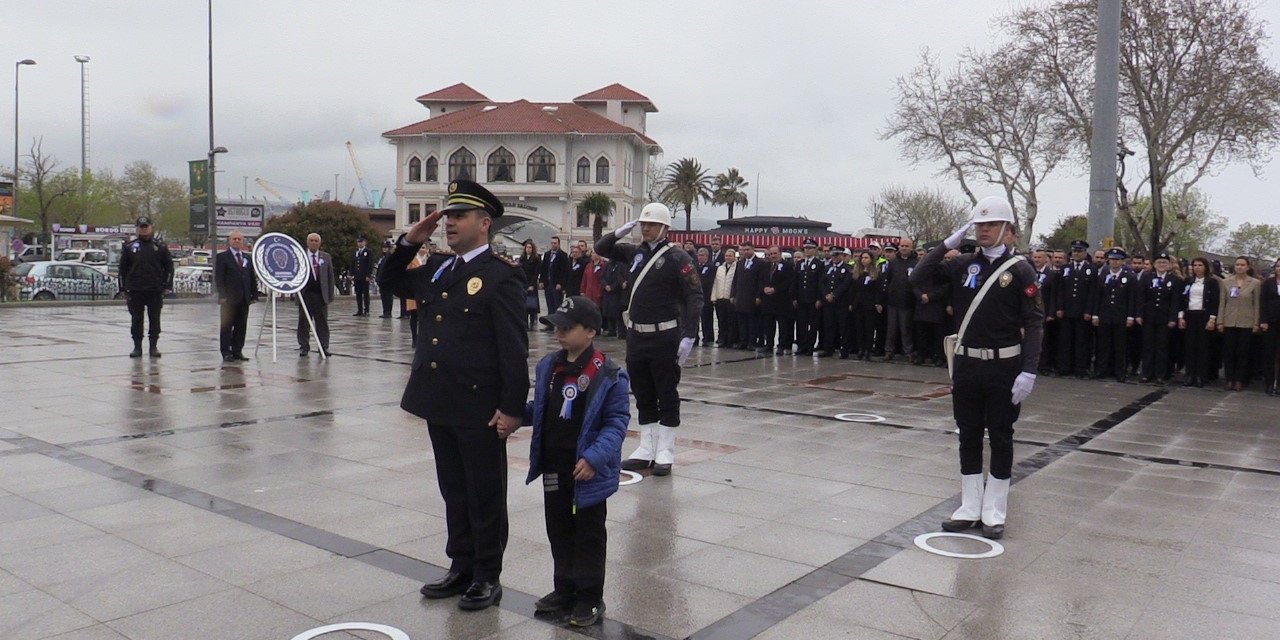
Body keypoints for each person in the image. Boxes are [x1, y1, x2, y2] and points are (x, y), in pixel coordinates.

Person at [377, 179, 528, 611]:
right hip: (439, 400)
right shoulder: (441, 267)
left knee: (484, 492)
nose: (449, 224)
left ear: (485, 223)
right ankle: (460, 565)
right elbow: (389, 280)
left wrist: (512, 408)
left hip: (479, 405)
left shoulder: (501, 276)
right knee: (454, 489)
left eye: (458, 216)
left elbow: (514, 350)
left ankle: (486, 575)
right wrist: (410, 241)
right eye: (446, 217)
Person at [912, 196, 1042, 540]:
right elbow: (919, 276)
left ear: (1008, 231)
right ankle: (969, 506)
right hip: (967, 363)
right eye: (979, 225)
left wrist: (1029, 369)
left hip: (1004, 366)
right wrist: (948, 243)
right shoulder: (963, 263)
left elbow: (1035, 322)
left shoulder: (1021, 270)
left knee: (1000, 436)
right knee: (967, 433)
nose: (983, 231)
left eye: (991, 225)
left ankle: (994, 510)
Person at [520, 296, 629, 627]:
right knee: (558, 529)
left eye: (568, 328)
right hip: (554, 466)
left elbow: (616, 423)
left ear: (591, 332)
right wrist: (514, 416)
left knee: (588, 535)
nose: (560, 334)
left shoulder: (609, 374)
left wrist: (594, 457)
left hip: (587, 472)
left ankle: (590, 597)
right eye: (557, 327)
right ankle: (564, 588)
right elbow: (540, 409)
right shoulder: (550, 366)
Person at [595, 203, 702, 476]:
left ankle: (665, 450)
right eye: (643, 223)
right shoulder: (636, 253)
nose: (646, 228)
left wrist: (689, 335)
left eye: (651, 224)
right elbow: (601, 248)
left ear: (665, 228)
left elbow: (694, 297)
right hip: (637, 335)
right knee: (642, 392)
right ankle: (646, 447)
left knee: (665, 392)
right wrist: (618, 232)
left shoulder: (678, 257)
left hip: (665, 335)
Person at [118, 216, 174, 358]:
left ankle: (153, 346)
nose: (144, 230)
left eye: (146, 226)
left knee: (154, 319)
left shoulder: (160, 247)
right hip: (135, 290)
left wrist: (167, 285)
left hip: (155, 290)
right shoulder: (130, 247)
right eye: (141, 227)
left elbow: (169, 267)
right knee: (137, 319)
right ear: (137, 229)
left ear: (151, 227)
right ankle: (137, 347)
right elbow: (122, 270)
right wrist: (122, 288)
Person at [1091, 248, 1139, 382]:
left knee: (1120, 346)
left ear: (1122, 262)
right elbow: (1097, 297)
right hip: (1105, 315)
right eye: (1112, 259)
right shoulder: (1103, 276)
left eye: (1117, 260)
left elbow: (1131, 298)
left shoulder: (1129, 277)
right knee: (1103, 345)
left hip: (1121, 316)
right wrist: (1095, 314)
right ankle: (1101, 370)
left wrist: (1130, 316)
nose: (1114, 262)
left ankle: (1120, 372)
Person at [1217, 256, 1262, 391]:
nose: (1239, 267)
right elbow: (1222, 303)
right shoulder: (1226, 282)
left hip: (1246, 322)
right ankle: (1229, 379)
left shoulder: (1255, 283)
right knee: (1229, 352)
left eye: (1242, 265)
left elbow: (1257, 305)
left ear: (1247, 267)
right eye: (1237, 265)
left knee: (1243, 352)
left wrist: (1256, 323)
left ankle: (1239, 380)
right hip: (1229, 320)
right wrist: (1220, 321)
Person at [1054, 240, 1097, 378]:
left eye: (1079, 251)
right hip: (1067, 310)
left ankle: (1080, 368)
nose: (1077, 254)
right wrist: (1059, 307)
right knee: (1065, 340)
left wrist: (1088, 311)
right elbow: (1060, 290)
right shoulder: (1065, 268)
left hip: (1082, 311)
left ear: (1085, 253)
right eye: (1075, 251)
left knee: (1081, 341)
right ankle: (1064, 367)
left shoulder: (1091, 269)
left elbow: (1092, 293)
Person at [1137, 253, 1181, 384]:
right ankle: (1146, 373)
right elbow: (1141, 297)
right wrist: (1139, 314)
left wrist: (1173, 318)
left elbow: (1175, 301)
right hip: (1148, 317)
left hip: (1165, 317)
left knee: (1162, 347)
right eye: (1159, 262)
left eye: (1164, 263)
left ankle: (1160, 374)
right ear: (1154, 264)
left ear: (1169, 265)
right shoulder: (1147, 277)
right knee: (1148, 346)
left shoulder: (1174, 280)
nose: (1162, 265)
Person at [215, 230, 258, 362]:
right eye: (234, 239)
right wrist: (222, 295)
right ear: (229, 240)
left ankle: (237, 351)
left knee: (241, 326)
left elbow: (251, 277)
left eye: (239, 239)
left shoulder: (247, 258)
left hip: (243, 298)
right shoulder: (223, 257)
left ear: (243, 241)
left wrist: (253, 294)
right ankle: (226, 351)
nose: (237, 241)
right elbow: (219, 278)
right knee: (227, 326)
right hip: (228, 299)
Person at [1179, 257, 1220, 388]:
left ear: (1205, 267)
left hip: (1204, 316)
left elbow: (1214, 302)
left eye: (1200, 265)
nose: (1197, 267)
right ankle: (1189, 374)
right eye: (1195, 265)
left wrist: (1212, 319)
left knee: (1203, 347)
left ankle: (1201, 376)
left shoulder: (1212, 283)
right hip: (1190, 315)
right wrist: (1181, 317)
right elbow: (1182, 300)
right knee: (1190, 346)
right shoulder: (1188, 281)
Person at [297, 233, 335, 357]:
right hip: (305, 294)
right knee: (303, 322)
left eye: (316, 241)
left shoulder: (326, 257)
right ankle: (304, 346)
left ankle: (323, 347)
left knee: (322, 322)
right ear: (307, 242)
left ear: (319, 243)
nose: (314, 243)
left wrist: (330, 296)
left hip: (320, 295)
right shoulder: (300, 255)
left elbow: (330, 277)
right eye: (311, 240)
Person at [881, 238, 918, 362]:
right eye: (902, 245)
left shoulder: (916, 262)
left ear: (911, 247)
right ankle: (889, 351)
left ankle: (908, 352)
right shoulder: (893, 262)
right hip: (893, 301)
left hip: (907, 301)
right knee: (891, 329)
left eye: (907, 246)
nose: (904, 248)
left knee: (906, 328)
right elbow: (888, 279)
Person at [758, 245, 796, 356]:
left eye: (775, 253)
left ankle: (781, 346)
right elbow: (761, 280)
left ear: (780, 253)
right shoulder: (766, 266)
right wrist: (764, 288)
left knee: (783, 326)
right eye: (771, 254)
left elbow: (789, 281)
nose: (772, 256)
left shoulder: (787, 266)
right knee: (768, 326)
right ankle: (768, 345)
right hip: (768, 301)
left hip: (781, 300)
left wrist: (776, 289)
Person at [817, 246, 852, 357]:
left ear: (842, 255)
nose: (835, 258)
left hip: (841, 302)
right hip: (828, 303)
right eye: (833, 255)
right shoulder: (827, 268)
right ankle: (828, 349)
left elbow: (845, 284)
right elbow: (822, 282)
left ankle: (844, 350)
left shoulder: (847, 268)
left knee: (843, 327)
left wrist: (834, 295)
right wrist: (826, 294)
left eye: (837, 255)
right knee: (829, 326)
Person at [848, 250, 883, 360]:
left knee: (869, 328)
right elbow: (852, 289)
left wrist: (878, 303)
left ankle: (868, 349)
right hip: (858, 304)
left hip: (870, 304)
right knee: (859, 328)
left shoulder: (876, 273)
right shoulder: (857, 272)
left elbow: (878, 290)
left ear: (871, 259)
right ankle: (860, 349)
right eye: (862, 258)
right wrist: (851, 303)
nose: (863, 260)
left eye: (866, 258)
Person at [731, 242, 765, 350]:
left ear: (753, 249)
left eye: (747, 250)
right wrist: (733, 295)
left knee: (752, 322)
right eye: (744, 250)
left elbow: (761, 281)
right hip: (741, 297)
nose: (745, 252)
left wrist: (758, 296)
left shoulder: (760, 263)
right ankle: (743, 341)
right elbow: (735, 280)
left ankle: (752, 342)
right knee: (742, 321)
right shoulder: (740, 263)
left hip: (752, 297)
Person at [793, 239, 823, 356]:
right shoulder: (800, 264)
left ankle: (810, 347)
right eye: (805, 248)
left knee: (813, 324)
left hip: (813, 299)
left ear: (815, 250)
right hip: (801, 299)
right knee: (801, 324)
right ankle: (802, 346)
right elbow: (796, 282)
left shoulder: (819, 264)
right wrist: (794, 297)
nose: (807, 250)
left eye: (810, 248)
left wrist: (819, 299)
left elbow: (820, 283)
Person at [711, 248, 739, 348]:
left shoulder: (737, 268)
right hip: (720, 298)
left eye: (730, 256)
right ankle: (722, 339)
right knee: (721, 321)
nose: (728, 258)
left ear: (734, 257)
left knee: (731, 321)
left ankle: (730, 340)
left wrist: (734, 296)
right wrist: (713, 297)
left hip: (729, 298)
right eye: (726, 256)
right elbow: (715, 282)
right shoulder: (720, 268)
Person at [1261, 259, 1280, 395]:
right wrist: (1263, 320)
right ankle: (1269, 383)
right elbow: (1263, 302)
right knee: (1269, 353)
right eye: (1278, 265)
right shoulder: (1268, 283)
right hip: (1271, 322)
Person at [406, 244, 430, 347]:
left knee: (425, 316)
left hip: (427, 291)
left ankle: (423, 337)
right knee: (414, 315)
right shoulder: (412, 260)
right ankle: (414, 339)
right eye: (420, 247)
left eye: (424, 247)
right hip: (414, 291)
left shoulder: (431, 260)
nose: (422, 249)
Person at [540, 236, 569, 322]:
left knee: (557, 304)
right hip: (548, 283)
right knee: (549, 304)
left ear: (558, 244)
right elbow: (543, 269)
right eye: (552, 243)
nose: (553, 245)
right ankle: (550, 323)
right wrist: (541, 280)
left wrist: (561, 283)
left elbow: (564, 271)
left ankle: (557, 322)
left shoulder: (563, 255)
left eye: (555, 243)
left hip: (556, 284)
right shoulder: (547, 254)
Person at [601, 254, 629, 338]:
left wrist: (613, 287)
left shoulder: (621, 265)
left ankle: (620, 332)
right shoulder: (607, 265)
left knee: (618, 313)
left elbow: (619, 277)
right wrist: (605, 285)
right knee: (608, 311)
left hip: (617, 293)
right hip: (607, 292)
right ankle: (611, 330)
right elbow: (602, 277)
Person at [695, 248, 717, 346]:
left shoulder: (711, 267)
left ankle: (708, 337)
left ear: (707, 257)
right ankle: (697, 337)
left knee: (707, 318)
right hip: (697, 297)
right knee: (697, 318)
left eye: (702, 255)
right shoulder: (696, 266)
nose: (700, 257)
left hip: (707, 297)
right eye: (699, 255)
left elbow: (708, 281)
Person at [519, 240, 542, 330]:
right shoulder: (522, 258)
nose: (528, 249)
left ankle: (532, 322)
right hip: (523, 283)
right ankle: (525, 323)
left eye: (530, 248)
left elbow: (536, 273)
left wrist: (532, 284)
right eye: (527, 247)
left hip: (532, 283)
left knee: (532, 304)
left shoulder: (536, 259)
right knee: (524, 304)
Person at [352, 235, 373, 316]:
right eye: (358, 242)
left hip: (365, 276)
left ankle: (366, 310)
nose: (360, 243)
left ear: (365, 242)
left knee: (365, 294)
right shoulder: (356, 252)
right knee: (358, 294)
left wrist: (368, 275)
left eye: (361, 242)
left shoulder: (368, 251)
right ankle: (359, 310)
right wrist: (351, 273)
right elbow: (352, 264)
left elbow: (370, 264)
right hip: (357, 276)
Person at [376, 241, 397, 318]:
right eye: (383, 248)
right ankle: (385, 311)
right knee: (384, 297)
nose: (384, 249)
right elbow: (379, 269)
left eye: (386, 248)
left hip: (388, 281)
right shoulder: (382, 257)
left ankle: (388, 312)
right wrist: (377, 278)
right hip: (381, 280)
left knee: (388, 297)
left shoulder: (390, 257)